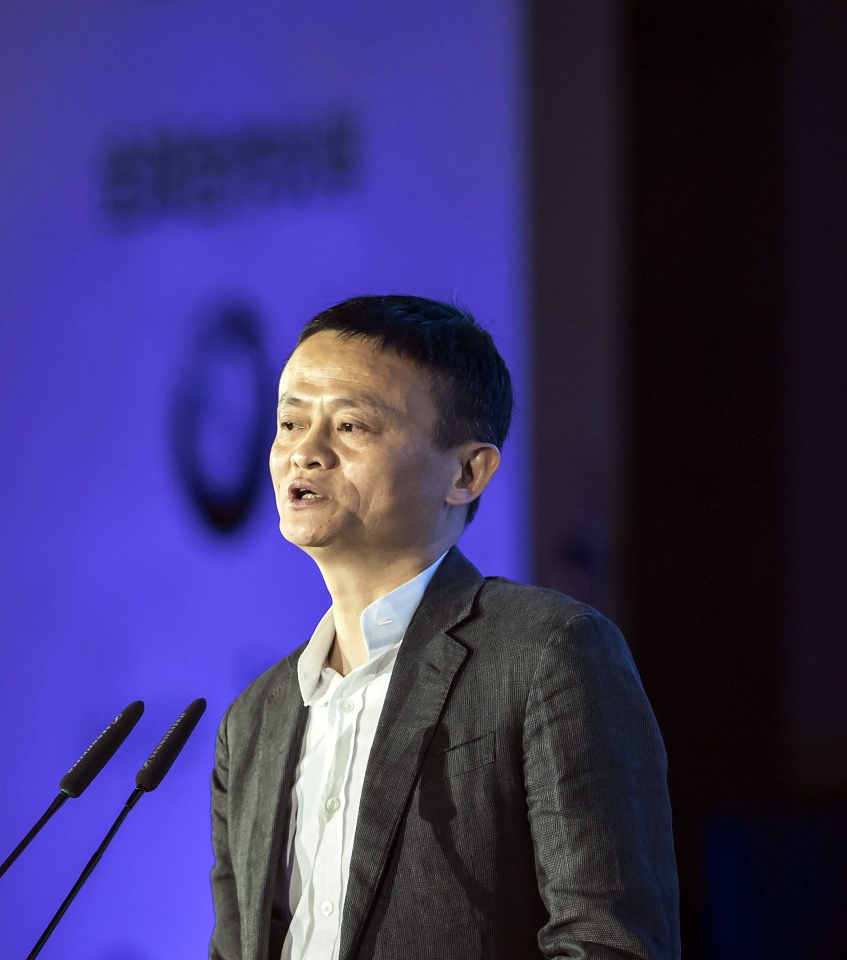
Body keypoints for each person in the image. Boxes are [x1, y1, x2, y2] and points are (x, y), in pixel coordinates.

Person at [209, 295, 679, 960]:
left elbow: (609, 943)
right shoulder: (254, 720)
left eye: (350, 426)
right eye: (289, 422)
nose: (304, 453)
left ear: (466, 472)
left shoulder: (547, 653)